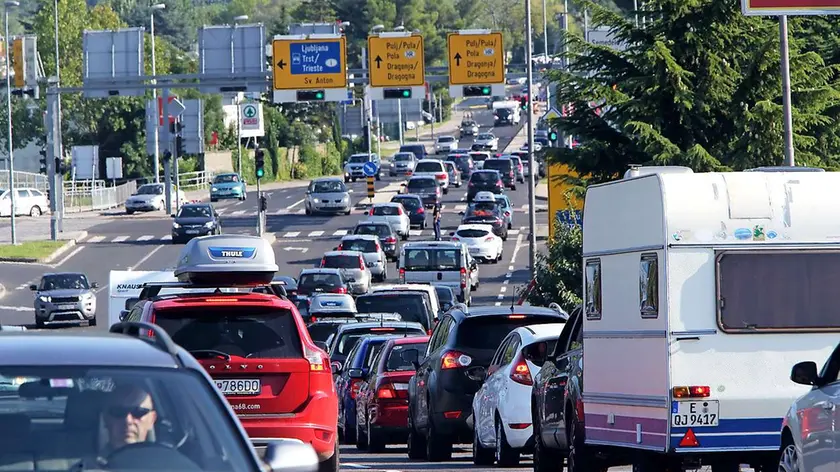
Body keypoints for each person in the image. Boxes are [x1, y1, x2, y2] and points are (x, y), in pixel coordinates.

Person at [101, 383, 158, 455]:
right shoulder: (90, 462)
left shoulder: (165, 460)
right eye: (119, 412)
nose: (128, 420)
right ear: (106, 418)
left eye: (138, 412)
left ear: (152, 419)